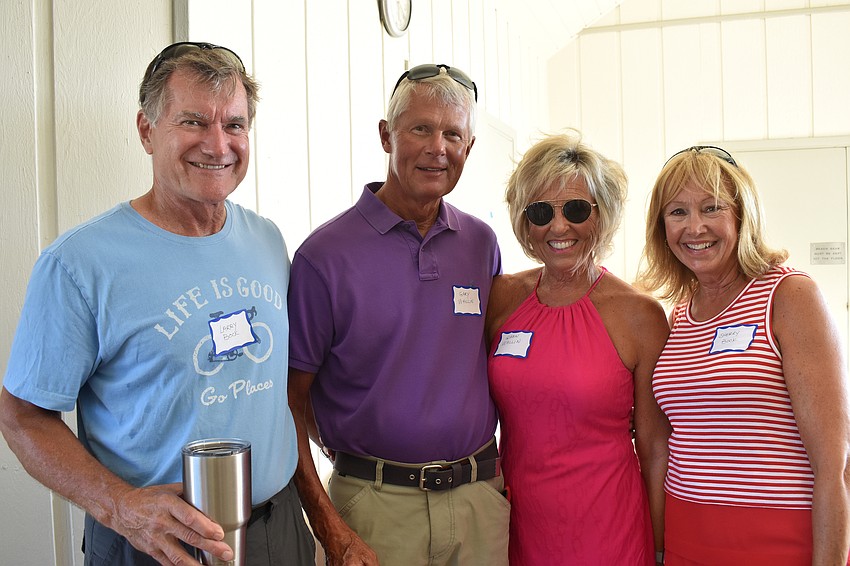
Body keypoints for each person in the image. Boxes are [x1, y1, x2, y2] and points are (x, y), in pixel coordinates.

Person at [0, 42, 316, 565]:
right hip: (154, 542)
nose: (218, 144)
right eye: (194, 121)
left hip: (276, 530)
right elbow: (21, 416)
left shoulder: (266, 240)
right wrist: (119, 507)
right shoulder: (80, 263)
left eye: (234, 125)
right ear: (147, 131)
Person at [287, 63, 508, 566]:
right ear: (386, 136)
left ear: (469, 148)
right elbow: (288, 405)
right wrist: (331, 530)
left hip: (479, 504)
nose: (438, 147)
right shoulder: (324, 257)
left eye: (454, 133)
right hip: (373, 510)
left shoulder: (481, 244)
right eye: (421, 129)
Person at [637, 145, 850, 564]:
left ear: (742, 215)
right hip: (687, 537)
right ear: (661, 228)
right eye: (677, 212)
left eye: (711, 207)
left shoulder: (789, 296)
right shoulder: (679, 313)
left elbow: (835, 465)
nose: (694, 227)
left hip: (777, 539)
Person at [485, 130, 671, 565]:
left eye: (575, 209)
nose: (558, 226)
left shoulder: (638, 315)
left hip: (609, 530)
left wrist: (662, 547)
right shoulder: (502, 297)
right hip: (518, 526)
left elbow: (653, 443)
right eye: (540, 212)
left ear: (602, 215)